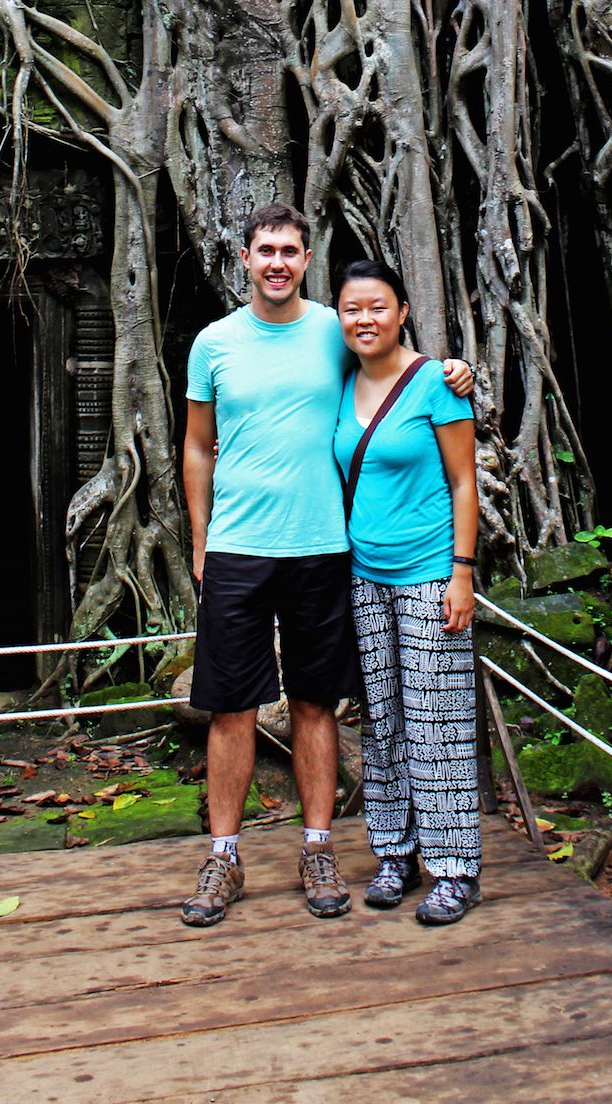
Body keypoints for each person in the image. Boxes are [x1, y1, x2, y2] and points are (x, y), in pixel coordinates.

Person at [179, 203, 473, 929]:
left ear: (307, 259)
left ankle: (318, 848)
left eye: (290, 250)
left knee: (316, 700)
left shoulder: (333, 332)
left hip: (325, 550)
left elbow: (398, 365)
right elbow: (196, 446)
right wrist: (199, 536)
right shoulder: (213, 344)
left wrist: (458, 368)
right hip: (239, 550)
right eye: (265, 250)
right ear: (243, 258)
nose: (277, 261)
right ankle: (223, 855)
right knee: (230, 705)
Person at [334, 256, 483, 926]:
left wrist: (462, 572)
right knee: (384, 718)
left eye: (377, 306)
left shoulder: (437, 384)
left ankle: (455, 869)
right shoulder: (339, 382)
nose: (365, 319)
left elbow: (464, 483)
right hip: (364, 574)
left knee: (438, 721)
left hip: (429, 574)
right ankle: (396, 852)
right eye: (352, 309)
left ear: (401, 312)